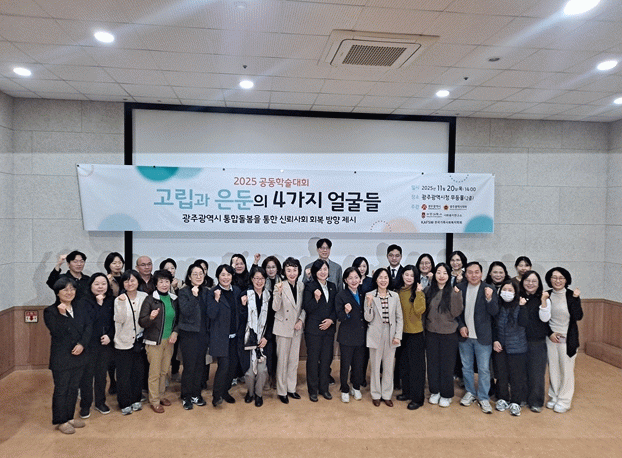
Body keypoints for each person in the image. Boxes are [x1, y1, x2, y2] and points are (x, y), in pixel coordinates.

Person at [44, 277, 90, 434]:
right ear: (57, 292)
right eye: (65, 289)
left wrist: (82, 344)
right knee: (61, 389)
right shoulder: (50, 311)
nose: (69, 292)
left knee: (73, 388)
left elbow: (88, 327)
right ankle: (60, 420)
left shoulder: (80, 307)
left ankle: (69, 417)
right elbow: (57, 332)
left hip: (79, 354)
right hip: (62, 357)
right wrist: (62, 315)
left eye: (72, 289)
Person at [457, 261, 499, 414]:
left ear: (481, 273)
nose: (473, 275)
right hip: (465, 336)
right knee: (466, 367)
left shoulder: (489, 288)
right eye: (470, 272)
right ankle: (470, 392)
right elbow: (456, 312)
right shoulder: (460, 288)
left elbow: (495, 312)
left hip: (483, 336)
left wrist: (489, 298)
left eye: (476, 272)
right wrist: (461, 326)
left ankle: (483, 397)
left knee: (484, 369)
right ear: (465, 274)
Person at [206, 264, 248, 407]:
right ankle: (216, 395)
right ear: (218, 276)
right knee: (223, 366)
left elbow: (240, 313)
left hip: (235, 337)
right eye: (222, 275)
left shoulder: (236, 290)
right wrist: (216, 300)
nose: (226, 277)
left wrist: (243, 305)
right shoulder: (213, 292)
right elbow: (211, 314)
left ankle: (225, 391)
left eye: (228, 274)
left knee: (232, 367)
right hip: (220, 337)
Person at [138, 269, 179, 413]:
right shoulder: (150, 299)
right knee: (154, 373)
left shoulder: (174, 299)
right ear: (156, 284)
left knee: (164, 371)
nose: (164, 284)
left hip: (169, 341)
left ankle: (161, 395)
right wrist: (151, 317)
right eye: (161, 281)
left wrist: (175, 332)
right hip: (154, 342)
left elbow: (178, 320)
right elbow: (142, 322)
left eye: (167, 281)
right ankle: (154, 400)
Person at [424, 263, 463, 408]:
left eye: (445, 273)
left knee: (447, 366)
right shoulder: (428, 290)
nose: (441, 276)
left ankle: (446, 394)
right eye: (438, 272)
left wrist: (457, 295)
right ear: (434, 275)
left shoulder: (453, 291)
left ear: (449, 276)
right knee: (432, 364)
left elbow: (456, 312)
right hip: (431, 333)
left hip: (448, 334)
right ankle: (435, 391)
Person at [544, 267, 583, 414]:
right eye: (554, 277)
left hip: (568, 338)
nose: (557, 280)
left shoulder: (571, 295)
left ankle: (564, 400)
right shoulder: (546, 294)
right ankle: (554, 396)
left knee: (566, 370)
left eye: (561, 278)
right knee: (553, 368)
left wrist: (576, 299)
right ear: (549, 279)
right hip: (551, 337)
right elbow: (542, 318)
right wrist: (550, 333)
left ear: (566, 280)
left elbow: (578, 316)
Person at [77, 273, 115, 418]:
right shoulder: (84, 301)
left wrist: (110, 336)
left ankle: (100, 402)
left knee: (101, 375)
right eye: (97, 284)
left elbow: (115, 322)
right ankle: (85, 405)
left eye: (103, 284)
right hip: (88, 344)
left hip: (105, 344)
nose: (100, 287)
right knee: (87, 377)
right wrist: (98, 305)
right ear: (91, 285)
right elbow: (87, 322)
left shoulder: (112, 300)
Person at [365, 268, 402, 407]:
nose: (383, 280)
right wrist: (369, 304)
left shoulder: (394, 296)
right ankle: (375, 394)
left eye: (386, 277)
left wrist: (398, 335)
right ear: (376, 279)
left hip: (390, 333)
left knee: (388, 366)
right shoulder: (369, 295)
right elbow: (368, 318)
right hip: (375, 333)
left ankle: (386, 394)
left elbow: (399, 318)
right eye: (380, 277)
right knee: (375, 366)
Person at [114, 269, 147, 415]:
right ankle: (124, 402)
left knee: (138, 373)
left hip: (139, 342)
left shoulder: (144, 297)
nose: (130, 283)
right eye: (126, 280)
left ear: (138, 281)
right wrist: (121, 304)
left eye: (133, 280)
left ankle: (136, 399)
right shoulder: (119, 299)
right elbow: (120, 320)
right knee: (123, 375)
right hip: (123, 341)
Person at [272, 257, 306, 404]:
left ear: (299, 271)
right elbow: (275, 307)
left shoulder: (301, 285)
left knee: (294, 361)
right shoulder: (279, 286)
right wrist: (279, 293)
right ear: (284, 272)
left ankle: (291, 388)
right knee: (282, 361)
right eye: (289, 270)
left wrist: (301, 320)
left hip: (296, 328)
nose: (292, 273)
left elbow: (304, 307)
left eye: (295, 270)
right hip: (282, 329)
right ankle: (282, 391)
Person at [303, 259, 337, 402]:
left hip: (329, 329)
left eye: (325, 269)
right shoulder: (310, 286)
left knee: (326, 359)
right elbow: (307, 307)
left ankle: (324, 388)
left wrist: (331, 320)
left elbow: (336, 306)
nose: (323, 272)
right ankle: (313, 390)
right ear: (315, 272)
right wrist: (316, 299)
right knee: (313, 360)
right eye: (320, 269)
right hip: (314, 330)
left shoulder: (332, 286)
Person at [493, 279, 528, 416]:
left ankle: (516, 402)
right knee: (501, 375)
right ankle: (502, 399)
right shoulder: (498, 305)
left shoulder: (520, 305)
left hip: (518, 348)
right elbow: (494, 325)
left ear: (516, 292)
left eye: (510, 290)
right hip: (500, 347)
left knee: (516, 376)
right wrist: (495, 340)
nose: (506, 293)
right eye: (504, 290)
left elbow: (524, 322)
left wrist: (523, 306)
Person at [177, 263, 209, 410]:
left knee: (200, 366)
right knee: (189, 366)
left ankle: (196, 394)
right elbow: (186, 312)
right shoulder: (184, 292)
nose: (198, 276)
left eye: (201, 273)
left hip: (203, 334)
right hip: (189, 335)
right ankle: (186, 396)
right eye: (195, 274)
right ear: (189, 277)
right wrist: (194, 297)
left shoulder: (206, 291)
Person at [519, 270, 551, 413]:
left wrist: (543, 301)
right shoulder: (518, 297)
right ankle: (522, 398)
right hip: (519, 340)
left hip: (537, 341)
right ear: (522, 282)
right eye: (527, 280)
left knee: (536, 373)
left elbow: (545, 318)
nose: (530, 284)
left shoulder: (544, 299)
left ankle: (536, 401)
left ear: (539, 284)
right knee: (521, 372)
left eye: (534, 281)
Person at [396, 265, 426, 410]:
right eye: (406, 274)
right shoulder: (398, 291)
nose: (409, 278)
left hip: (415, 334)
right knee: (404, 366)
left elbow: (420, 310)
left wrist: (419, 293)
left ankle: (417, 399)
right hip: (401, 334)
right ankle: (407, 392)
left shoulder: (418, 292)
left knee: (416, 369)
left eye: (412, 276)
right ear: (402, 275)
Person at [335, 267, 366, 403]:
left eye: (356, 277)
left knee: (358, 364)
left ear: (360, 279)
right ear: (345, 280)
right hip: (346, 336)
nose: (354, 280)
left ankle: (356, 387)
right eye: (350, 278)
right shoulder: (341, 295)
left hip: (361, 335)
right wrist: (346, 312)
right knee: (345, 365)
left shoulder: (364, 294)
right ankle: (344, 389)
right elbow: (339, 317)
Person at [242, 267, 272, 407]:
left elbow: (272, 320)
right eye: (256, 278)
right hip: (248, 340)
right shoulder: (245, 295)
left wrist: (267, 337)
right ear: (251, 279)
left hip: (264, 340)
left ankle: (259, 394)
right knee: (249, 372)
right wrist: (243, 305)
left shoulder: (269, 296)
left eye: (262, 278)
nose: (259, 281)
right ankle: (250, 393)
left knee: (262, 370)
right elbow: (241, 319)